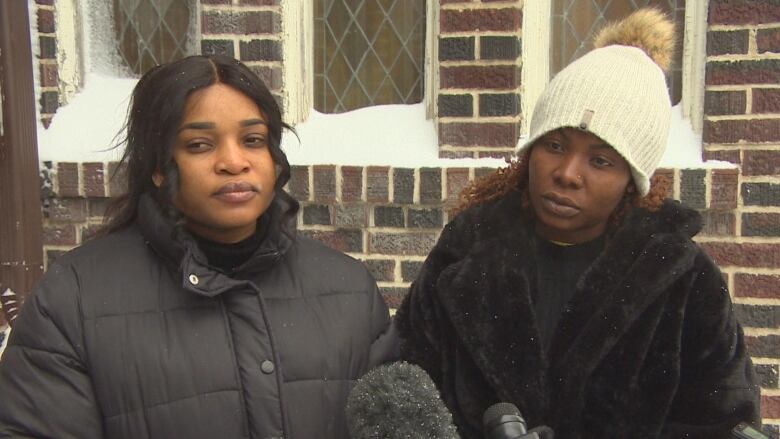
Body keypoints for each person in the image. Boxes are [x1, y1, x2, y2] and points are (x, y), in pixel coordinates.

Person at [395, 9, 760, 439]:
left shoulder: (681, 279)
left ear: (631, 181)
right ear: (530, 151)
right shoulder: (467, 253)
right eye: (554, 144)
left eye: (600, 160)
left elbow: (723, 420)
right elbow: (402, 392)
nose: (568, 172)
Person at [0, 54, 397, 439]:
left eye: (253, 140)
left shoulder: (349, 291)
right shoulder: (75, 299)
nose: (233, 161)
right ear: (158, 166)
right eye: (200, 145)